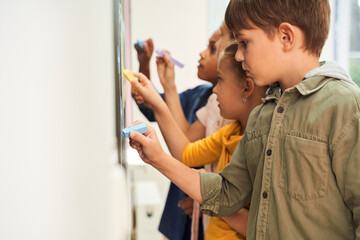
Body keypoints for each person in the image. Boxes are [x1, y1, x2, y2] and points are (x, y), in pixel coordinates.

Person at [128, 0, 360, 239]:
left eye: (244, 43)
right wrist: (157, 157)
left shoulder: (345, 106)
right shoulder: (262, 115)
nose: (238, 55)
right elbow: (226, 193)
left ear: (286, 37)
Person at [132, 42, 267, 239]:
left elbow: (261, 226)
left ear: (247, 88)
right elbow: (186, 154)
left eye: (221, 80)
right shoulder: (229, 132)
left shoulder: (263, 144)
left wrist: (210, 198)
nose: (215, 91)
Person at [132, 32, 221, 240]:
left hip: (204, 218)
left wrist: (205, 200)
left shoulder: (224, 111)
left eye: (212, 48)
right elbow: (153, 107)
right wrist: (146, 66)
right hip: (179, 210)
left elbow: (185, 147)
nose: (202, 53)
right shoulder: (200, 95)